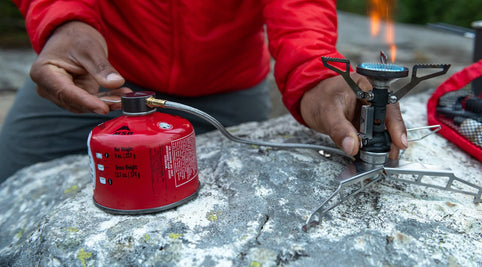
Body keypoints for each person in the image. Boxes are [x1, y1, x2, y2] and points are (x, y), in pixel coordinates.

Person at [0, 0, 407, 182]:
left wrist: (313, 73)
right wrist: (65, 22)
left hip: (226, 86)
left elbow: (298, 8)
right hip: (99, 77)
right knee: (9, 192)